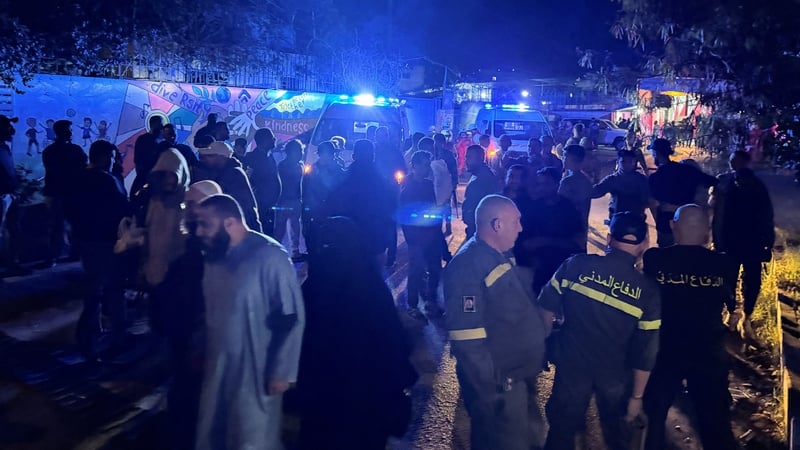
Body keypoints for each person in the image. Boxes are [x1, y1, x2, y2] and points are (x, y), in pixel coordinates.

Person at [538, 212, 661, 450]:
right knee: (616, 433)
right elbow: (647, 351)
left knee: (561, 431)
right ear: (644, 245)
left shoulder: (575, 265)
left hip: (571, 367)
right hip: (614, 375)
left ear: (608, 239)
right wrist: (637, 397)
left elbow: (545, 308)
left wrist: (544, 345)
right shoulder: (647, 292)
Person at [194, 194, 305, 450]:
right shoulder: (215, 257)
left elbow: (290, 316)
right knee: (215, 431)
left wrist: (282, 371)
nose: (199, 232)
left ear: (229, 223)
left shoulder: (270, 256)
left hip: (256, 368)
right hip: (218, 365)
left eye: (205, 225)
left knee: (251, 437)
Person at [297, 217, 417, 449]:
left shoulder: (312, 288)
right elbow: (393, 340)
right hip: (366, 400)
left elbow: (300, 343)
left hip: (323, 400)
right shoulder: (371, 287)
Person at [444, 195, 548, 450]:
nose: (521, 228)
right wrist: (490, 392)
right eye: (516, 222)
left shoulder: (496, 254)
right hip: (500, 387)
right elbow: (468, 341)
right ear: (497, 225)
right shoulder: (467, 267)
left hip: (515, 378)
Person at [642, 204, 739, 450]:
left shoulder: (654, 259)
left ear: (672, 226)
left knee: (653, 418)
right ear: (707, 231)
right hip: (707, 351)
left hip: (664, 349)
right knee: (714, 420)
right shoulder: (724, 263)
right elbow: (730, 303)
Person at [71, 141, 130, 358]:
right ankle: (118, 337)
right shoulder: (108, 180)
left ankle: (89, 334)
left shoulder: (78, 179)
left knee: (93, 288)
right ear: (105, 157)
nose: (115, 161)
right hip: (107, 241)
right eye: (113, 157)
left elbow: (71, 209)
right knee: (114, 289)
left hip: (86, 240)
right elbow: (123, 208)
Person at [710, 150, 775, 334]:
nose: (732, 164)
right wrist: (767, 241)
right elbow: (767, 215)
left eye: (735, 161)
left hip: (734, 241)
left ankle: (737, 315)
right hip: (747, 242)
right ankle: (741, 316)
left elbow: (716, 212)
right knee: (746, 281)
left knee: (732, 279)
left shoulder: (726, 183)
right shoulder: (729, 182)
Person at [515, 167, 584, 294]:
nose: (541, 188)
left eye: (546, 184)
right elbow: (523, 237)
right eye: (539, 184)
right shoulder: (533, 206)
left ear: (557, 185)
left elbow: (576, 242)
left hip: (560, 267)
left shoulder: (567, 208)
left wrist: (545, 241)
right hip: (534, 268)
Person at [325, 139, 395, 265]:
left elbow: (333, 205)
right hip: (374, 235)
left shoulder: (343, 177)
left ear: (354, 156)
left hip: (349, 235)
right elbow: (389, 210)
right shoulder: (382, 181)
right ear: (373, 156)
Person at [399, 151, 444, 321]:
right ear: (415, 166)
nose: (427, 169)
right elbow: (406, 217)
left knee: (434, 269)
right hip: (417, 238)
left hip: (431, 235)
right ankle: (412, 305)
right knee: (416, 271)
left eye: (428, 165)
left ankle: (431, 301)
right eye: (424, 165)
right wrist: (412, 239)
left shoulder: (428, 185)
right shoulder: (407, 189)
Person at [648, 138, 717, 247]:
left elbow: (653, 204)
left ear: (656, 153)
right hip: (689, 224)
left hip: (666, 226)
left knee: (667, 255)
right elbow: (714, 182)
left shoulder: (655, 178)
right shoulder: (687, 170)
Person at [42, 119, 88, 267]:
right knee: (60, 225)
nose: (70, 132)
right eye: (68, 130)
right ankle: (63, 254)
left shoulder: (51, 151)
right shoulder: (71, 150)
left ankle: (59, 255)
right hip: (64, 193)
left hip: (63, 192)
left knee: (65, 225)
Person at [196, 141, 262, 232]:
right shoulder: (225, 171)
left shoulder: (232, 174)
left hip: (243, 229)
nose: (205, 159)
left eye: (210, 156)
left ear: (222, 157)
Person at [301, 141, 345, 253]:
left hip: (332, 210)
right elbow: (305, 190)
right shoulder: (312, 170)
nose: (331, 156)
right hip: (316, 210)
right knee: (315, 238)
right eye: (328, 153)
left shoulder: (338, 170)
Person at [374, 126, 406, 267]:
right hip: (378, 193)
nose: (381, 138)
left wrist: (395, 181)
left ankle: (390, 256)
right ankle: (383, 253)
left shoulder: (393, 151)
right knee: (383, 224)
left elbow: (402, 170)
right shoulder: (374, 151)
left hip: (390, 193)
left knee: (390, 224)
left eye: (383, 135)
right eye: (379, 136)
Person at [592, 149, 651, 220]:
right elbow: (595, 192)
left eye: (630, 162)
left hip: (635, 218)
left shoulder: (641, 179)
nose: (627, 164)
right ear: (618, 162)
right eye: (623, 161)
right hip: (618, 219)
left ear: (634, 162)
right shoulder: (612, 179)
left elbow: (649, 199)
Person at [244, 128, 281, 236]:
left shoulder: (270, 157)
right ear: (264, 140)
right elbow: (248, 180)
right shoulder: (251, 158)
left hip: (270, 207)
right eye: (271, 137)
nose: (274, 139)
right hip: (259, 207)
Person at [274, 139, 304, 258]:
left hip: (295, 199)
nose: (301, 153)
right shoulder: (283, 166)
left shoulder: (298, 165)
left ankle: (294, 251)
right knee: (281, 227)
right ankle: (276, 250)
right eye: (299, 151)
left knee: (295, 226)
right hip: (284, 200)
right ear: (291, 152)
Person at [462, 145, 498, 239]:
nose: (466, 161)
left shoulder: (483, 178)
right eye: (466, 157)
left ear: (480, 158)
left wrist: (469, 217)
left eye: (469, 157)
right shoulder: (479, 174)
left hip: (479, 230)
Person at [558, 144, 593, 237]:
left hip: (569, 227)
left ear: (575, 159)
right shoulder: (584, 178)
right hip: (580, 227)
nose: (563, 159)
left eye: (565, 156)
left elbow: (559, 203)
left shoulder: (569, 181)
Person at [0, 115, 20, 276]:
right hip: (2, 196)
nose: (12, 130)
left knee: (13, 230)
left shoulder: (4, 148)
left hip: (9, 195)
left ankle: (12, 264)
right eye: (7, 126)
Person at [131, 115, 164, 197]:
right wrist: (141, 177)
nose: (161, 126)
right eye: (160, 124)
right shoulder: (142, 140)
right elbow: (138, 160)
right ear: (152, 125)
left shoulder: (163, 141)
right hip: (145, 177)